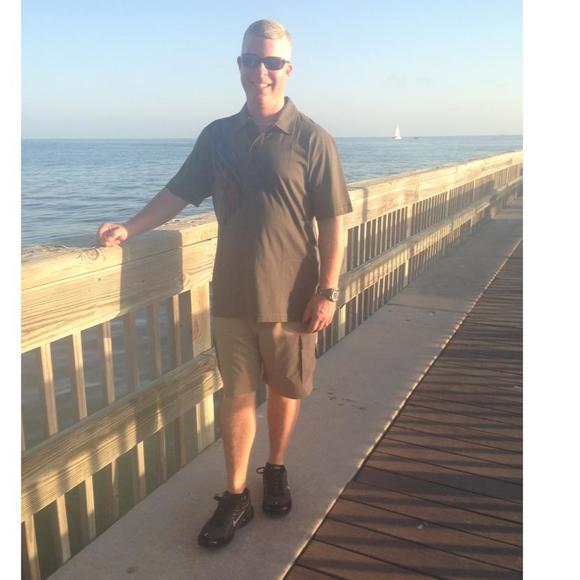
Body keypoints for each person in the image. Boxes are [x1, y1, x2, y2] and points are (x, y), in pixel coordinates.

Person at [98, 19, 352, 549]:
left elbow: (333, 221)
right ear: (239, 65)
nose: (261, 71)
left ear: (288, 69)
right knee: (236, 396)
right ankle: (236, 497)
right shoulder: (216, 137)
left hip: (293, 296)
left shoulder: (312, 139)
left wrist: (327, 289)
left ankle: (275, 468)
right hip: (232, 294)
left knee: (284, 389)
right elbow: (177, 193)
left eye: (271, 62)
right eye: (251, 60)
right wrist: (130, 227)